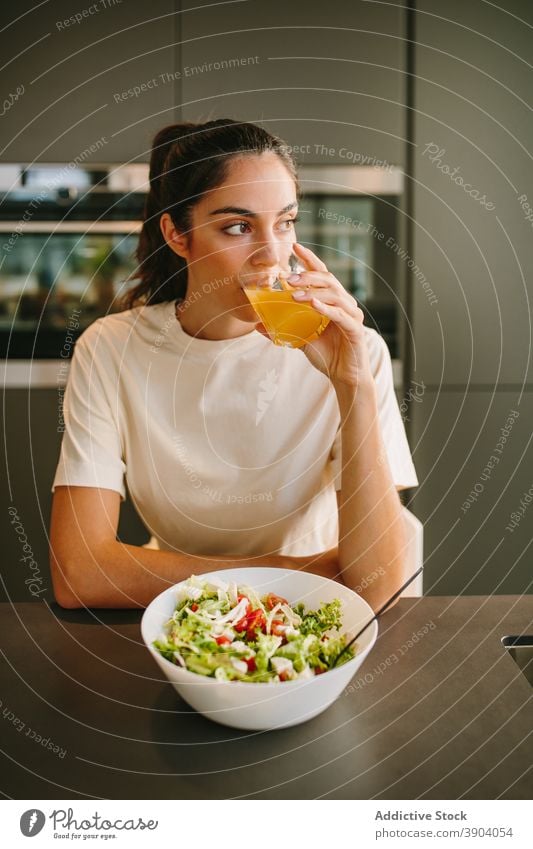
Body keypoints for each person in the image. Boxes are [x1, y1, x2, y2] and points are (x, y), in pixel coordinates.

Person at [50, 119, 418, 610]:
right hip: (206, 612)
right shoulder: (109, 350)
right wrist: (291, 573)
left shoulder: (353, 350)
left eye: (285, 223)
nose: (273, 255)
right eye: (238, 227)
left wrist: (352, 384)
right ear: (178, 236)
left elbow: (375, 584)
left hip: (316, 617)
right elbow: (80, 573)